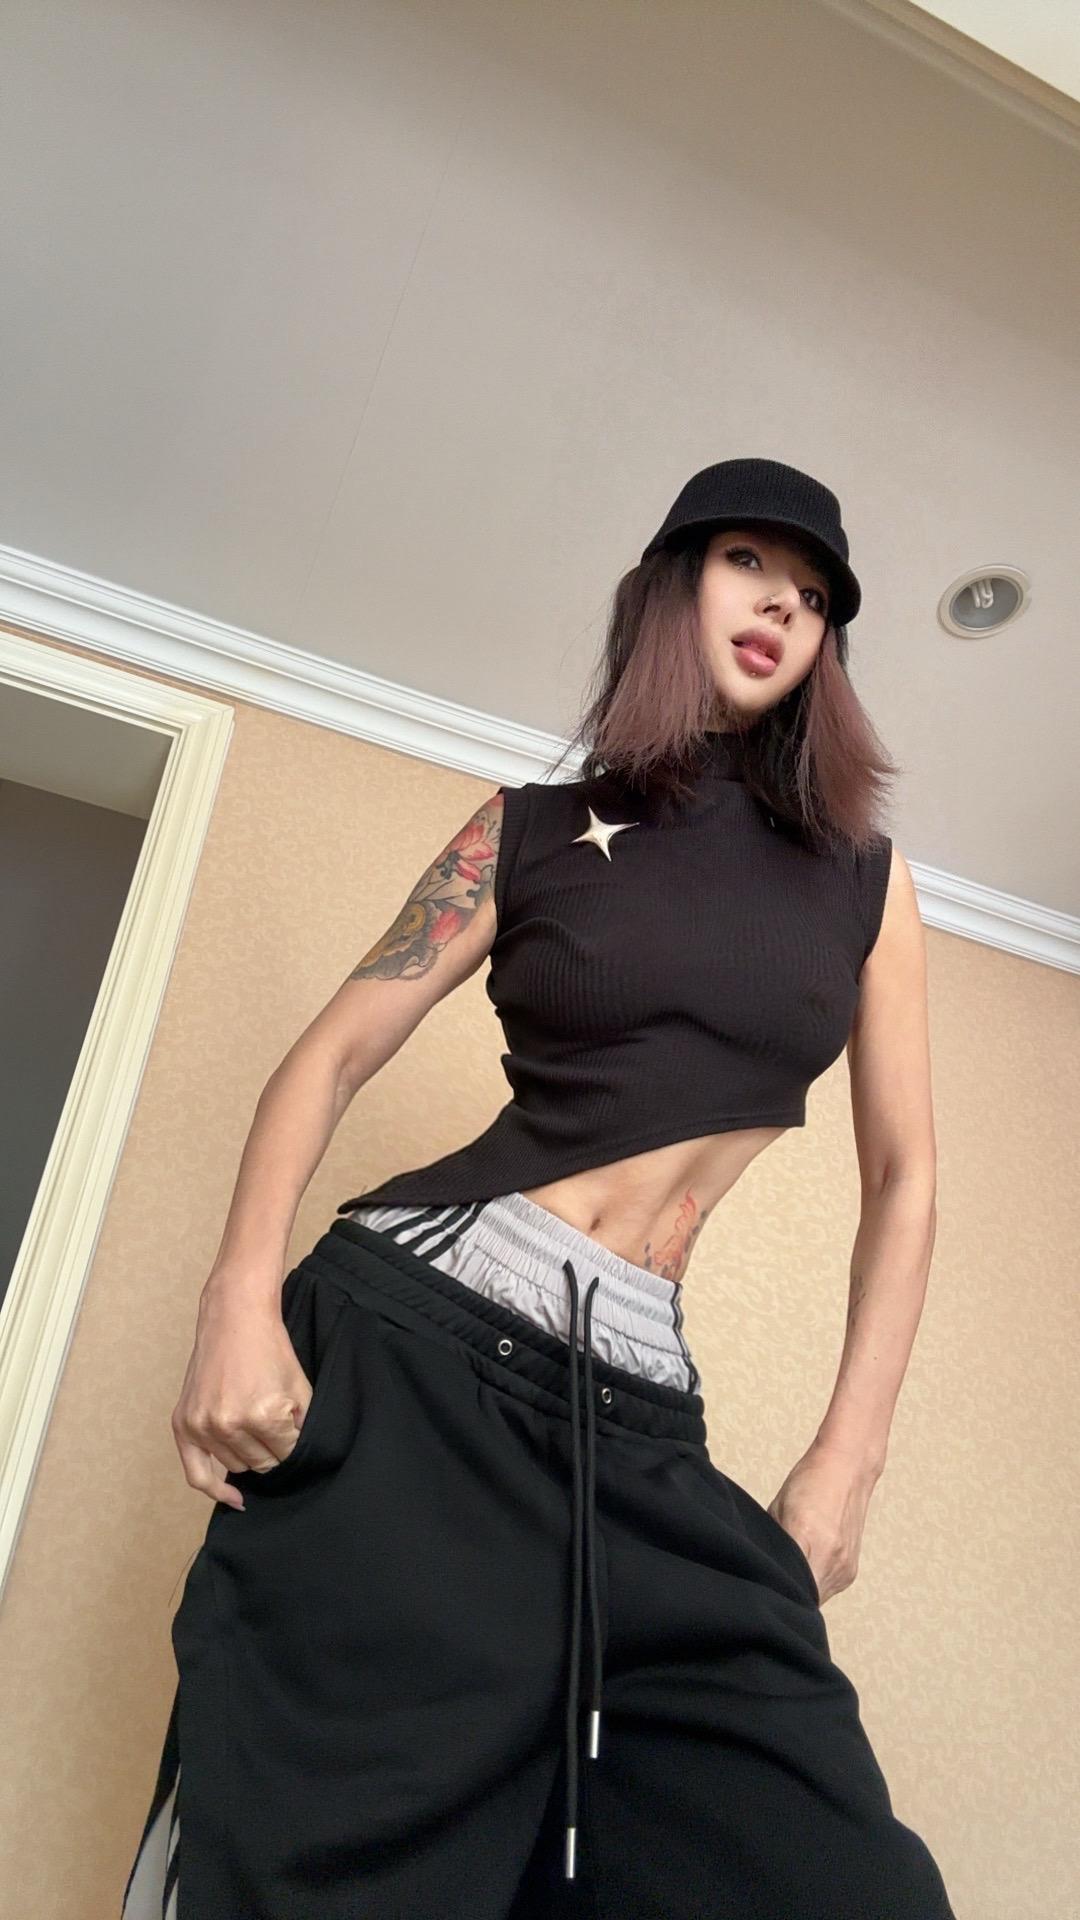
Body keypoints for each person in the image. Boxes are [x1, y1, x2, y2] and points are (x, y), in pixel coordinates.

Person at [122, 458, 955, 1918]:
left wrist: (851, 1456)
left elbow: (906, 1178)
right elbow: (328, 1058)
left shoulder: (867, 884)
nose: (783, 604)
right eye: (749, 563)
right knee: (321, 1851)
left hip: (636, 1407)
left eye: (816, 595)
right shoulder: (524, 830)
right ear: (672, 586)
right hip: (420, 1342)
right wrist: (237, 1299)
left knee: (837, 1882)